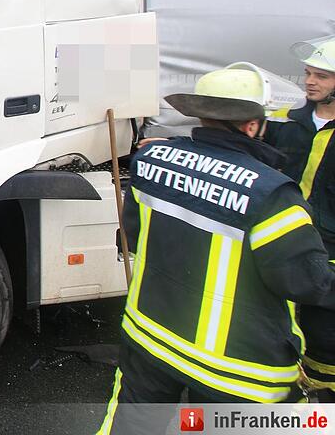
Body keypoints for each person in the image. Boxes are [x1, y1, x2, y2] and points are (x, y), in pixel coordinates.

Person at [96, 63, 335, 434]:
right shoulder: (273, 196)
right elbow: (308, 284)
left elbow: (132, 234)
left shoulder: (150, 161)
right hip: (238, 369)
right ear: (254, 126)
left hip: (150, 337)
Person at [264, 37, 335, 399]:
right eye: (308, 73)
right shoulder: (286, 121)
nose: (310, 82)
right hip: (282, 246)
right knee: (279, 328)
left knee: (325, 339)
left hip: (329, 253)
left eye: (322, 76)